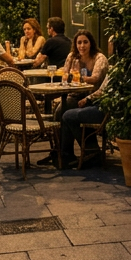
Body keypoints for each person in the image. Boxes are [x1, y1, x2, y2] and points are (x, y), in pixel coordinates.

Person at [47, 29, 111, 167]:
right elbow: (65, 75)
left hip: (92, 97)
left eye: (85, 42)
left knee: (65, 112)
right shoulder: (72, 56)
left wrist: (78, 77)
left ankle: (67, 154)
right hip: (75, 94)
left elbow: (95, 78)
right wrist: (70, 76)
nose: (82, 46)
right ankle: (62, 153)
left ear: (91, 43)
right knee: (59, 111)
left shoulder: (99, 58)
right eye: (79, 43)